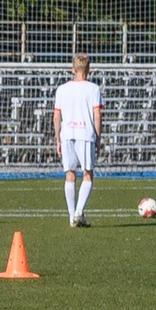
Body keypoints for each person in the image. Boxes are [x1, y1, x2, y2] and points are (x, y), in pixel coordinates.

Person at [54, 57, 103, 227]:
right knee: (88, 174)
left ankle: (71, 216)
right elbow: (97, 114)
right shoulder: (93, 89)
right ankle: (78, 212)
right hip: (85, 134)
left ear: (73, 69)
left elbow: (56, 116)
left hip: (67, 134)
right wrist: (98, 137)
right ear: (89, 69)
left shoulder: (62, 89)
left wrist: (58, 139)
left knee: (70, 174)